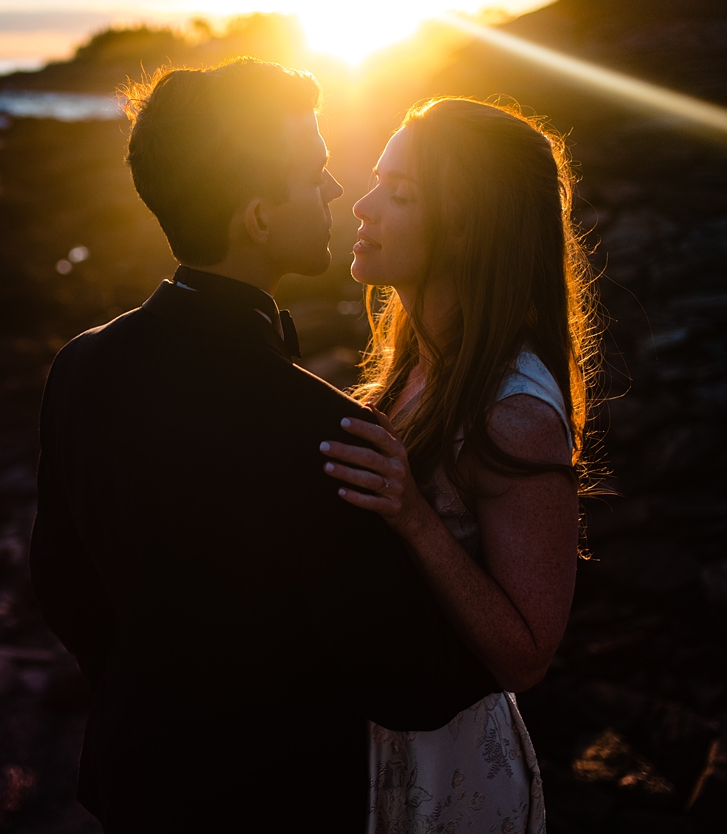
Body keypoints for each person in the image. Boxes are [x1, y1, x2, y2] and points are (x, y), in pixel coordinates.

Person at [29, 59, 497, 833]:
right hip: (282, 801)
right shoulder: (325, 431)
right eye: (313, 175)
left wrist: (144, 685)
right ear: (256, 218)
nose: (335, 192)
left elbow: (60, 581)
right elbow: (408, 683)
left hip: (136, 779)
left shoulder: (81, 365)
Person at [320, 98, 598, 833]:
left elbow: (527, 655)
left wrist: (413, 516)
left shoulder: (515, 414)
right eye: (376, 181)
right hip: (381, 744)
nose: (364, 206)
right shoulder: (416, 364)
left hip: (451, 776)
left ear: (470, 227)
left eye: (401, 194)